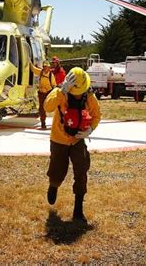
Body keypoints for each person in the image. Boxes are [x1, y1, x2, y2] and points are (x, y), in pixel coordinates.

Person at [43, 67, 101, 223]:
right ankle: (53, 185)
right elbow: (47, 107)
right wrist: (62, 91)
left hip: (78, 140)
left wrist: (90, 129)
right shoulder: (60, 93)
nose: (79, 94)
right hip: (59, 139)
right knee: (57, 169)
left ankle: (78, 210)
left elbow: (96, 115)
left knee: (81, 170)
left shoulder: (89, 96)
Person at [30, 60, 57, 129]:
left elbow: (54, 85)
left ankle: (56, 122)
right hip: (41, 93)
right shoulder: (41, 72)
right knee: (41, 109)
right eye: (44, 67)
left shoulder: (51, 75)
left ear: (49, 67)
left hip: (49, 93)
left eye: (46, 67)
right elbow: (33, 69)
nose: (45, 68)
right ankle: (43, 123)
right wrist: (29, 61)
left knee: (52, 107)